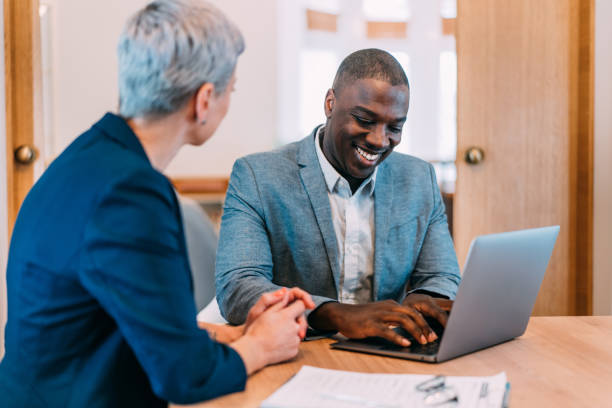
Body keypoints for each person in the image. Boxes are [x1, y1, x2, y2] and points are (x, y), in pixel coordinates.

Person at [0, 1, 314, 407]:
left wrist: (238, 334)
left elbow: (125, 321)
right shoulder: (130, 192)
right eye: (230, 90)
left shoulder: (84, 159)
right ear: (203, 101)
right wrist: (261, 347)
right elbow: (185, 376)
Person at [216, 48, 461, 347]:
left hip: (390, 355)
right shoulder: (258, 176)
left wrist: (426, 300)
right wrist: (335, 315)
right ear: (330, 103)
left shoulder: (418, 178)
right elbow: (238, 288)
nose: (379, 140)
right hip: (298, 351)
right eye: (364, 120)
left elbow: (442, 275)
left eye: (394, 127)